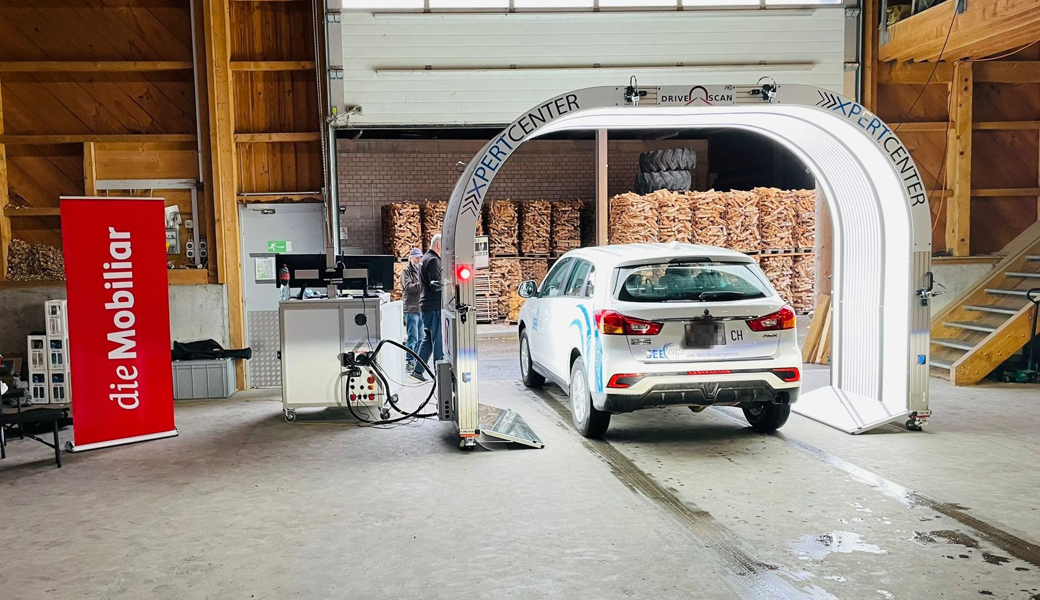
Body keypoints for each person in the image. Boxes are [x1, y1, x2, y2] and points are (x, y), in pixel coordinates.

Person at [411, 234, 443, 381]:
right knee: (438, 340)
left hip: (425, 305)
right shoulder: (434, 260)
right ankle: (440, 375)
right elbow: (436, 285)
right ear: (439, 246)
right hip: (434, 305)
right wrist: (448, 284)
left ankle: (418, 370)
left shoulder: (424, 259)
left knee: (428, 339)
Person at [401, 248, 424, 372]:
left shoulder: (420, 270)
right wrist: (422, 284)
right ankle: (410, 361)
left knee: (421, 338)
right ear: (411, 258)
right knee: (413, 338)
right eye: (416, 257)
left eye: (420, 257)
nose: (419, 259)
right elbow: (408, 287)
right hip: (410, 309)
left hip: (420, 308)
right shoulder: (406, 271)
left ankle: (418, 361)